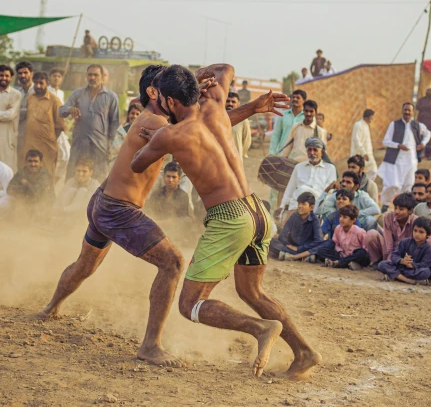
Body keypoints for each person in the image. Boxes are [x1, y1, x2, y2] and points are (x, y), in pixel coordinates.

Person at [39, 63, 291, 370]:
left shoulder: (161, 121)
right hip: (118, 209)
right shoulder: (157, 121)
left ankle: (50, 308)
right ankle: (150, 346)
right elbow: (206, 130)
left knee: (85, 264)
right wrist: (226, 99)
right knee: (172, 263)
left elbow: (206, 130)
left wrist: (237, 104)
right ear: (158, 94)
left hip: (104, 203)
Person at [130, 63, 319, 379]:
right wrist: (199, 78)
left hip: (230, 218)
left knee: (190, 303)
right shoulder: (215, 104)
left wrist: (155, 137)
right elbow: (225, 68)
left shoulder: (170, 134)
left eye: (161, 99)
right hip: (257, 211)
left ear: (171, 102)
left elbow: (137, 164)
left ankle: (261, 328)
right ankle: (304, 352)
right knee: (252, 293)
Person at [60, 64, 120, 181]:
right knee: (73, 176)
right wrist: (69, 109)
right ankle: (70, 199)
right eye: (90, 75)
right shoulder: (78, 93)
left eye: (96, 75)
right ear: (86, 76)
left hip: (100, 145)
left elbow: (115, 123)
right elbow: (61, 111)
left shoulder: (111, 96)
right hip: (79, 142)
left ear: (102, 77)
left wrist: (110, 146)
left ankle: (97, 200)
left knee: (100, 178)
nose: (92, 77)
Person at [378, 102, 431, 209]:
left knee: (409, 185)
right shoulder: (394, 124)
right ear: (402, 111)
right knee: (391, 184)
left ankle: (404, 207)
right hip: (395, 160)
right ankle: (385, 203)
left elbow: (428, 133)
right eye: (405, 110)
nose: (407, 112)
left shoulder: (417, 125)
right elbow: (385, 141)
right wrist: (398, 145)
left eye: (409, 110)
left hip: (411, 160)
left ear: (413, 112)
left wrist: (423, 144)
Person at [279, 137, 337, 219]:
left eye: (315, 150)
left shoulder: (330, 168)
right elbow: (290, 189)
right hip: (298, 202)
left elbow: (329, 192)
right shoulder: (299, 167)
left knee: (303, 190)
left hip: (318, 201)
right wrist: (284, 205)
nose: (312, 153)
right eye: (309, 150)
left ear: (322, 152)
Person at [21, 72, 65, 175]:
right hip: (29, 143)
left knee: (47, 173)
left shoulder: (54, 100)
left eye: (41, 83)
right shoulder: (30, 98)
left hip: (47, 146)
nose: (38, 86)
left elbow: (61, 125)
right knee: (29, 172)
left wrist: (50, 137)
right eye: (35, 83)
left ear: (47, 83)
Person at [376, 217, 431, 284]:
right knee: (382, 264)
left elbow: (426, 264)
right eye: (415, 230)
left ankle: (397, 277)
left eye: (421, 232)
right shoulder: (405, 242)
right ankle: (407, 280)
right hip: (401, 268)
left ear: (428, 235)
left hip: (413, 271)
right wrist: (402, 261)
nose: (417, 234)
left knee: (426, 272)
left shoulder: (428, 248)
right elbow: (394, 255)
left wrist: (412, 265)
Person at [270, 193, 322, 262]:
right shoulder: (294, 216)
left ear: (311, 207)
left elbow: (319, 241)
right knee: (271, 241)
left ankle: (290, 256)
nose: (300, 206)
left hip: (305, 249)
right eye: (299, 203)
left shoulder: (315, 220)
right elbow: (282, 235)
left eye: (303, 204)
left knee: (321, 247)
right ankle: (303, 257)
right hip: (291, 248)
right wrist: (289, 245)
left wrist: (299, 249)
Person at [7, 149, 56, 219]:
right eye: (30, 161)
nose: (33, 164)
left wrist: (25, 183)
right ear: (26, 162)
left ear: (41, 163)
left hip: (44, 207)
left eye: (36, 161)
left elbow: (35, 192)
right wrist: (27, 189)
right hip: (26, 205)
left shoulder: (45, 175)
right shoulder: (22, 172)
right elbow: (9, 189)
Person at [320, 205, 372, 269]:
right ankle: (347, 264)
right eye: (340, 216)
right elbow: (336, 243)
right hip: (342, 255)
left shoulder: (360, 232)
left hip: (355, 256)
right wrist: (340, 251)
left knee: (362, 253)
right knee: (322, 250)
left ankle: (339, 263)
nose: (341, 219)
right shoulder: (338, 228)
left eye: (345, 217)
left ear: (353, 220)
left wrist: (354, 255)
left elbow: (366, 249)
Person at [376, 192, 419, 261]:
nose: (397, 211)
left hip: (407, 254)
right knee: (371, 234)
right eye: (395, 208)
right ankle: (377, 261)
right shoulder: (389, 216)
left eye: (401, 209)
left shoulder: (415, 221)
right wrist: (389, 258)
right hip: (391, 251)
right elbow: (388, 242)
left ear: (410, 211)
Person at [268, 89, 306, 156]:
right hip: (283, 153)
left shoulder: (306, 118)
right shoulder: (283, 115)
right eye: (293, 97)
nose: (295, 99)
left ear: (304, 101)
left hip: (300, 155)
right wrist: (272, 152)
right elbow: (276, 134)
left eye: (298, 98)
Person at [350, 109, 377, 181]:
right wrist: (364, 153)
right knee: (358, 173)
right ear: (367, 117)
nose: (372, 119)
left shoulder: (366, 126)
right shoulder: (358, 125)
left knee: (373, 171)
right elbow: (357, 140)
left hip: (368, 154)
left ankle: (365, 187)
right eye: (371, 117)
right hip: (360, 155)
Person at [226, 92, 252, 161]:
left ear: (238, 104)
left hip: (235, 159)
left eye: (233, 102)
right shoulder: (217, 118)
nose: (230, 104)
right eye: (227, 101)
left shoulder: (243, 120)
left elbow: (247, 140)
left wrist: (239, 153)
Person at [415, 87, 431, 160]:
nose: (429, 92)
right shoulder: (421, 100)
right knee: (420, 136)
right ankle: (419, 154)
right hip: (421, 119)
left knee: (429, 138)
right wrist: (427, 106)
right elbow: (417, 107)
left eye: (430, 91)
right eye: (428, 91)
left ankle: (428, 154)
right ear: (426, 92)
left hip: (430, 120)